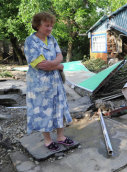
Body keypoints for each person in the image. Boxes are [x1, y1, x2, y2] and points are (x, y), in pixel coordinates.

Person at [24, 12, 74, 151]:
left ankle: (61, 137)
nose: (50, 28)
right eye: (47, 25)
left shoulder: (51, 39)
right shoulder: (30, 41)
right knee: (43, 111)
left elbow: (60, 55)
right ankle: (47, 140)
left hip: (55, 82)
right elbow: (41, 65)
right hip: (40, 84)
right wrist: (58, 66)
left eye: (51, 25)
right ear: (38, 25)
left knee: (59, 108)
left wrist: (55, 62)